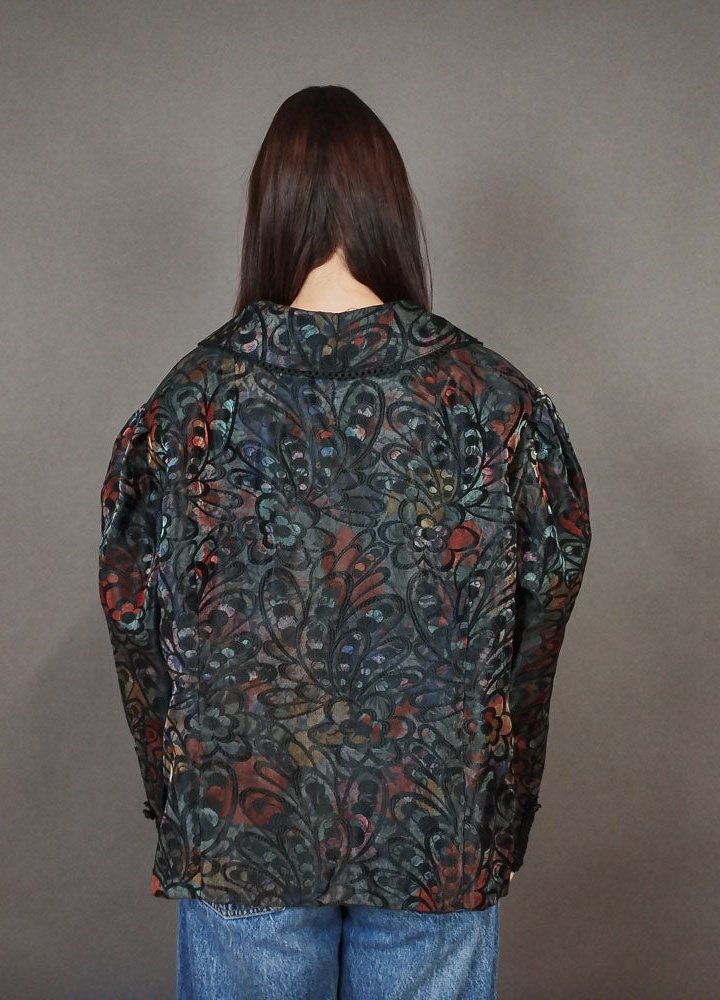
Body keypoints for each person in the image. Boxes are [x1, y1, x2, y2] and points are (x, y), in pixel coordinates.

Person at [98, 84, 592, 1000]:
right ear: (390, 209)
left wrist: (176, 797)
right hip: (437, 821)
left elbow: (135, 614)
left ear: (268, 213)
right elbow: (547, 597)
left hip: (241, 817)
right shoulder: (496, 401)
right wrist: (503, 802)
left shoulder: (187, 406)